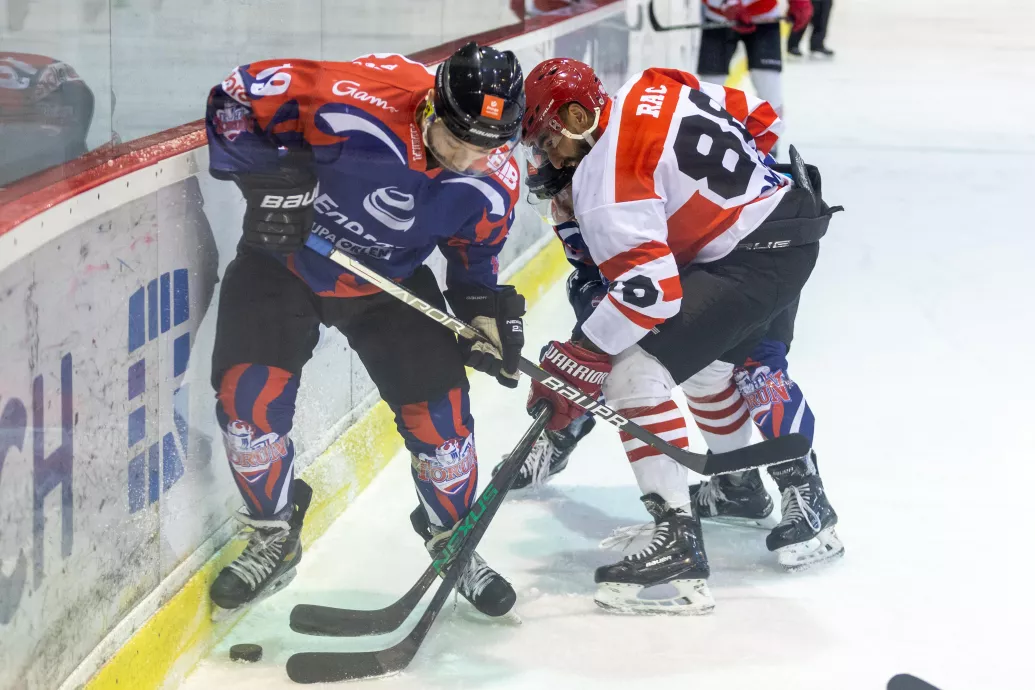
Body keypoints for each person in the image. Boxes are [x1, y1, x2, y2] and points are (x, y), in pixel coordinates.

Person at [203, 44, 527, 617]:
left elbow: (473, 260)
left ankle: (453, 538)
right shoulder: (353, 99)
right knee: (247, 404)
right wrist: (268, 177)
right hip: (283, 265)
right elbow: (234, 96)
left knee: (445, 428)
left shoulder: (494, 182)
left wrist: (482, 312)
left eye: (484, 148)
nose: (465, 159)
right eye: (456, 139)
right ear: (432, 107)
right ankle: (274, 534)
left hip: (390, 284)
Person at [519, 57, 844, 614]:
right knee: (708, 368)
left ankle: (677, 544)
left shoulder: (604, 181)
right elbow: (761, 119)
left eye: (550, 141)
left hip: (750, 256)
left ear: (575, 116)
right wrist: (737, 199)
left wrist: (580, 355)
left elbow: (650, 295)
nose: (552, 156)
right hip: (786, 218)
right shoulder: (654, 84)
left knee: (634, 376)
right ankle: (739, 487)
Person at [696, 0, 814, 156]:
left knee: (769, 86)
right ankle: (705, 148)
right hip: (718, 18)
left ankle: (769, 150)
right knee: (710, 89)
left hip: (765, 16)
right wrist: (725, 4)